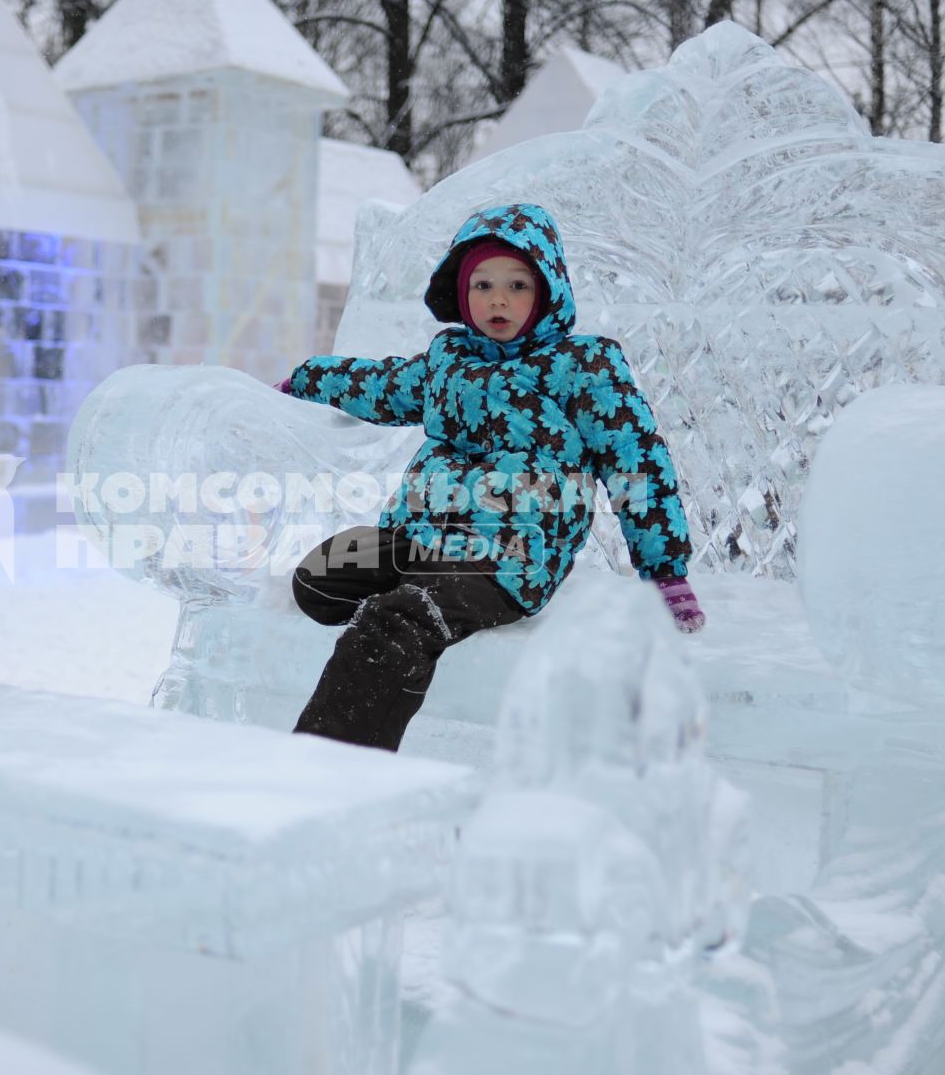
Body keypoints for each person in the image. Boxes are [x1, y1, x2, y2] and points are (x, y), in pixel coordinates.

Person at [274, 202, 702, 753]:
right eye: (482, 284)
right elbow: (379, 384)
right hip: (420, 538)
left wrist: (665, 570)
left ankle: (327, 769)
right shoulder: (446, 362)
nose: (498, 299)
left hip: (508, 553)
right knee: (317, 579)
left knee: (396, 621)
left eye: (517, 284)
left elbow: (635, 458)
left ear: (547, 290)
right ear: (461, 293)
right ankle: (413, 596)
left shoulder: (583, 368)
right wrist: (308, 379)